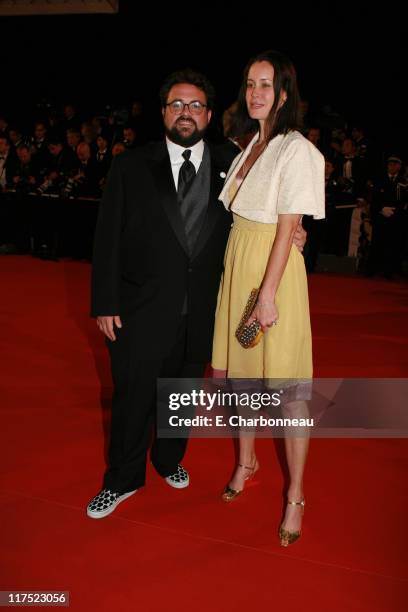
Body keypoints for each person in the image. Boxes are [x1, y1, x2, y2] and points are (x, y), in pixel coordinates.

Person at [88, 68, 306, 519]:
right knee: (133, 397)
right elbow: (106, 237)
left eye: (194, 106)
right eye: (176, 105)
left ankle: (169, 460)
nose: (185, 113)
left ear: (208, 114)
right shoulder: (131, 164)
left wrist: (299, 233)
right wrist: (105, 301)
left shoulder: (236, 159)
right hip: (139, 307)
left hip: (205, 308)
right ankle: (123, 478)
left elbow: (265, 213)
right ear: (163, 112)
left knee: (182, 394)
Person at [211, 50, 324, 546]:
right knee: (243, 382)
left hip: (271, 274)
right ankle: (246, 460)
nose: (255, 91)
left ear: (283, 94)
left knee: (288, 393)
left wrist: (268, 296)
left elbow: (286, 230)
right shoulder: (248, 145)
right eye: (250, 83)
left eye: (266, 84)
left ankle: (296, 494)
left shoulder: (296, 149)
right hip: (240, 263)